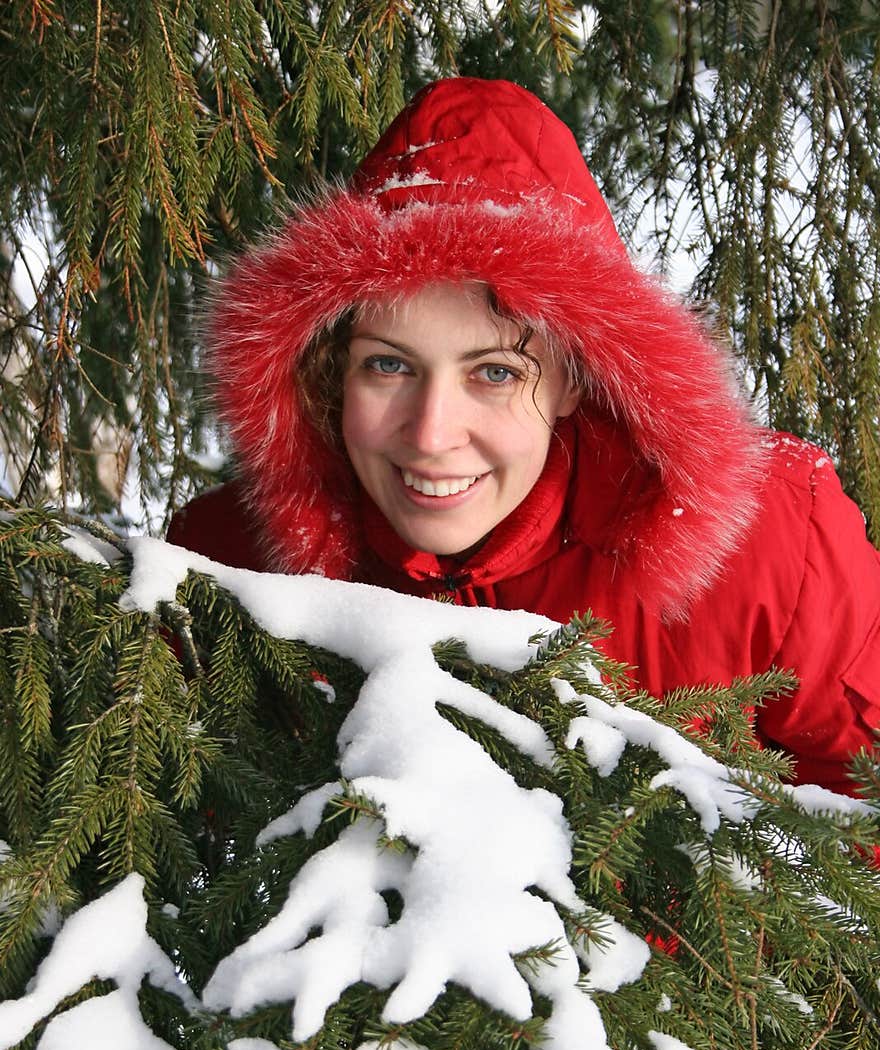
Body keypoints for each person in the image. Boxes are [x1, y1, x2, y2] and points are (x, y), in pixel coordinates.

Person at [168, 76, 880, 796]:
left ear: (575, 377)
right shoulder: (232, 566)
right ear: (331, 369)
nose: (432, 434)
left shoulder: (766, 545)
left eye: (496, 373)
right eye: (389, 365)